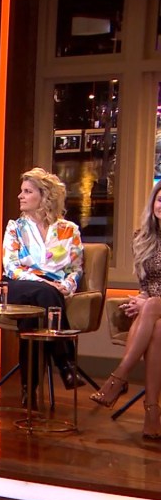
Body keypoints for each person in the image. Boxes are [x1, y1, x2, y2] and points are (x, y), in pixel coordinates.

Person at [1, 167, 85, 408]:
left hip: (50, 293)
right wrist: (46, 284)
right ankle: (66, 363)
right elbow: (11, 267)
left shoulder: (69, 230)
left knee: (34, 315)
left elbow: (76, 269)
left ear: (45, 196)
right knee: (44, 292)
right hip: (18, 286)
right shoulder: (15, 227)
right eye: (22, 191)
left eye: (27, 191)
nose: (20, 196)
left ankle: (29, 390)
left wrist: (66, 285)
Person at [90, 179, 161, 440]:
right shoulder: (141, 238)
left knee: (151, 307)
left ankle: (118, 379)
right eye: (160, 200)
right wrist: (141, 299)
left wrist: (147, 301)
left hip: (153, 305)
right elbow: (145, 284)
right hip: (154, 312)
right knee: (157, 328)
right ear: (153, 203)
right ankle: (152, 415)